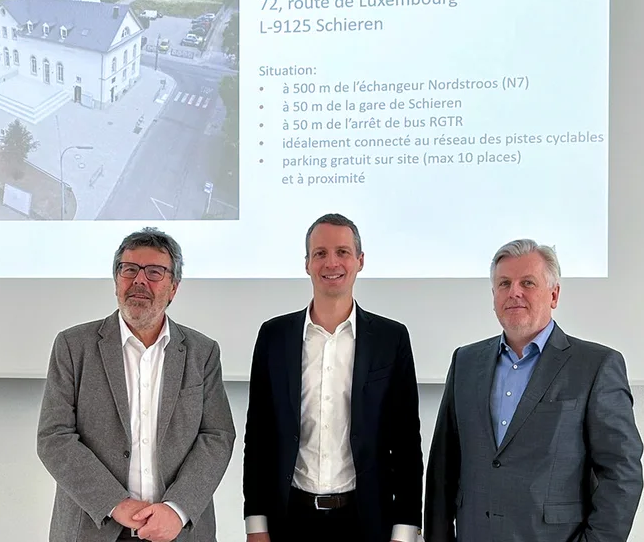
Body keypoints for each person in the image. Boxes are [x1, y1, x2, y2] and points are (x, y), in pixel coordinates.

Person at [424, 239, 644, 542]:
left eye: (528, 282)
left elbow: (622, 473)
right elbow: (442, 468)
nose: (514, 292)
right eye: (504, 283)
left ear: (553, 295)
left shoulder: (596, 366)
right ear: (493, 296)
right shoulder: (465, 361)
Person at [37, 227, 236, 542]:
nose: (140, 281)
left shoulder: (202, 352)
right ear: (116, 280)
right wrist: (115, 503)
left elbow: (217, 436)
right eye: (129, 270)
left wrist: (177, 509)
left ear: (173, 287)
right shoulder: (74, 346)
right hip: (94, 528)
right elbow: (54, 437)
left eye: (155, 272)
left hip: (177, 531)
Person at [242, 213, 424, 542]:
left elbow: (407, 443)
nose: (331, 263)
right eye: (320, 253)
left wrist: (406, 529)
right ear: (307, 263)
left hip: (367, 519)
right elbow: (258, 438)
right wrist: (256, 524)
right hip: (290, 517)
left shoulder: (391, 338)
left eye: (342, 252)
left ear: (360, 261)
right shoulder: (274, 336)